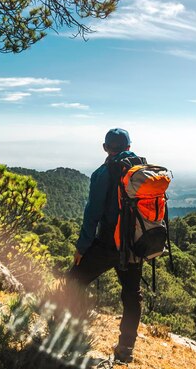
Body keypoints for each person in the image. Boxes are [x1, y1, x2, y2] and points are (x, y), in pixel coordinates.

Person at [67, 128, 142, 364]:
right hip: (134, 246)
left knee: (72, 282)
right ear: (129, 147)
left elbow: (93, 214)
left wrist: (82, 247)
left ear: (105, 148)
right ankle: (125, 351)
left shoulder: (103, 172)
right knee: (132, 296)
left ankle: (65, 336)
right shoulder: (141, 171)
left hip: (108, 244)